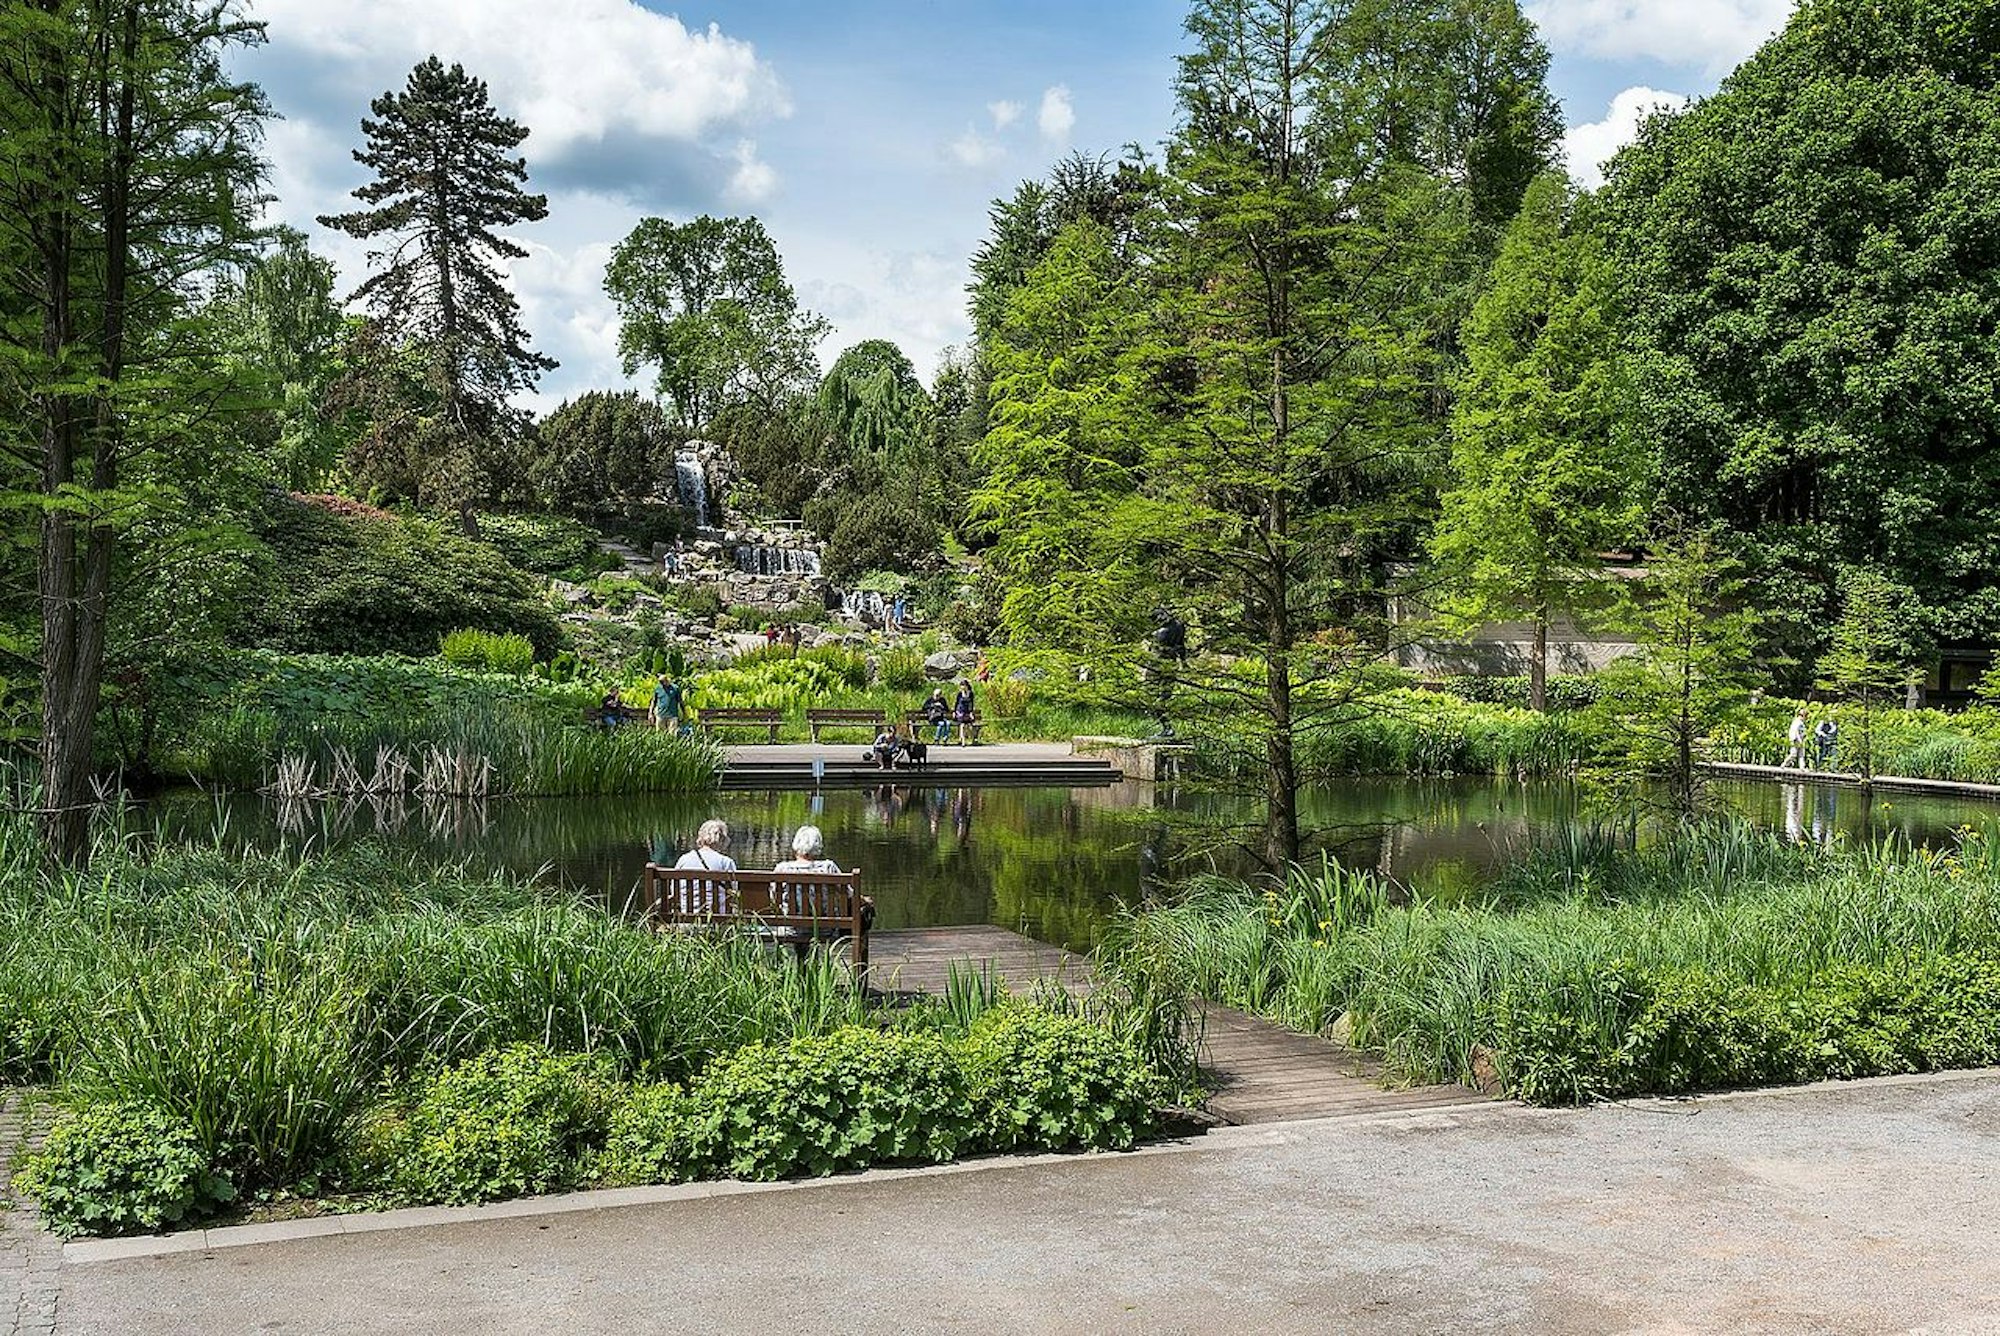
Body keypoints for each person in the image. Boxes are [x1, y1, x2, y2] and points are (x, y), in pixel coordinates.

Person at [772, 823, 875, 948]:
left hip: (791, 928)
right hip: (825, 929)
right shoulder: (828, 867)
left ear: (796, 845)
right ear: (818, 846)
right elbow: (850, 896)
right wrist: (865, 900)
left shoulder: (782, 868)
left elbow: (773, 899)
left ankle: (802, 964)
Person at [668, 819, 738, 916]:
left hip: (686, 918)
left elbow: (674, 890)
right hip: (719, 920)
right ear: (722, 840)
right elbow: (734, 892)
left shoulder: (683, 860)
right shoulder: (726, 862)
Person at [952, 678, 977, 746]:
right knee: (962, 725)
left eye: (963, 685)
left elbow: (972, 704)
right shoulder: (959, 694)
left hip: (967, 712)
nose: (962, 687)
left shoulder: (971, 693)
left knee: (970, 726)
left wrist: (971, 712)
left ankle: (972, 739)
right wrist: (954, 712)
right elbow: (956, 703)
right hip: (960, 712)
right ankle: (963, 740)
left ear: (967, 686)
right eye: (961, 685)